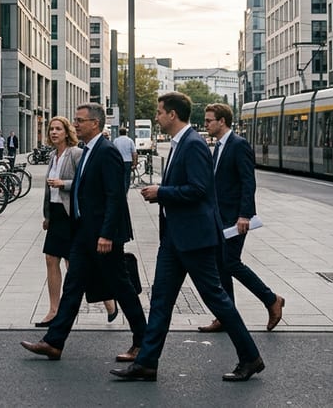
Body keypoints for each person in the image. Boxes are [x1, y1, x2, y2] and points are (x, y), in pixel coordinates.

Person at [112, 92, 264, 383]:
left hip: (194, 238)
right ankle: (146, 363)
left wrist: (162, 193)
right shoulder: (181, 143)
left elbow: (199, 190)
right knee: (161, 301)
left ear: (172, 115)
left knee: (216, 300)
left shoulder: (192, 145)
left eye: (159, 112)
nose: (156, 117)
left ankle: (250, 357)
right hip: (175, 238)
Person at [20, 103, 146, 364]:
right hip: (83, 233)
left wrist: (107, 234)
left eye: (80, 120)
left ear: (95, 124)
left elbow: (115, 196)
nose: (75, 124)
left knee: (121, 287)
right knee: (73, 286)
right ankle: (54, 343)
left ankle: (143, 342)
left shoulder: (106, 151)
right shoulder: (88, 150)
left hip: (102, 236)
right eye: (75, 120)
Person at [196, 103, 285, 334]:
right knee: (221, 266)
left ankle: (271, 299)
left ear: (222, 121)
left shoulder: (238, 145)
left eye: (208, 120)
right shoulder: (218, 147)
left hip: (235, 219)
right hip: (220, 218)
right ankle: (226, 315)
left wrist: (245, 214)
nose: (205, 125)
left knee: (230, 263)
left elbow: (248, 181)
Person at [36, 116, 82, 327]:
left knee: (72, 263)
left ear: (67, 132)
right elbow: (48, 192)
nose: (54, 132)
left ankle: (107, 300)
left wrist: (63, 183)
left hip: (70, 214)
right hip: (55, 213)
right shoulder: (53, 156)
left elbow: (85, 182)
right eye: (51, 129)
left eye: (58, 129)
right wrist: (47, 217)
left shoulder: (75, 153)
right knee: (50, 259)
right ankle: (54, 310)